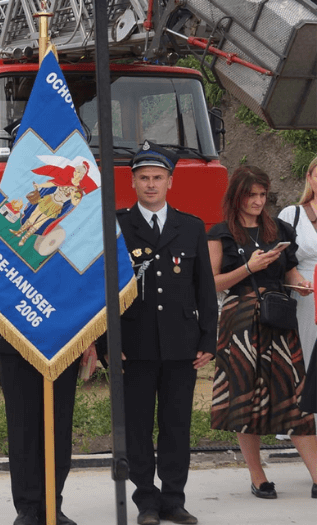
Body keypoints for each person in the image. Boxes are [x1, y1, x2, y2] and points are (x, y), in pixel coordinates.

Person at [115, 141, 217, 525]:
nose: (151, 185)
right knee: (139, 428)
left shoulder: (189, 227)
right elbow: (105, 289)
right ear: (134, 181)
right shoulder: (119, 225)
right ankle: (147, 501)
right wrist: (112, 342)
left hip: (181, 345)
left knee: (176, 426)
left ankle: (174, 499)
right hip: (135, 344)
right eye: (144, 178)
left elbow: (204, 288)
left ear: (170, 182)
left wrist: (208, 339)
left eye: (158, 178)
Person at [207, 165, 317, 501]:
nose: (257, 201)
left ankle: (316, 474)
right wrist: (248, 268)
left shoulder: (279, 228)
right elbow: (212, 283)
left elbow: (292, 271)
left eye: (262, 195)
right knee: (244, 397)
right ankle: (258, 475)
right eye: (251, 195)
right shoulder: (221, 232)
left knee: (296, 396)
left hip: (279, 320)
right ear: (237, 196)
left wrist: (301, 286)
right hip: (239, 320)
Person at [0, 330, 79, 525]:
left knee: (59, 426)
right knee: (21, 428)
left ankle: (51, 505)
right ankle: (27, 507)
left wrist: (88, 341)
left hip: (63, 334)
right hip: (14, 334)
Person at [278, 154, 317, 370]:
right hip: (306, 295)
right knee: (303, 356)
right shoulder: (292, 214)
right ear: (309, 178)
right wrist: (299, 282)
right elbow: (280, 261)